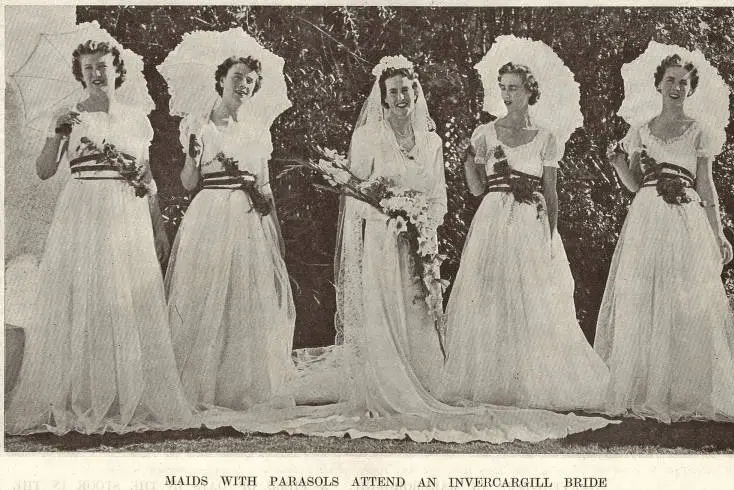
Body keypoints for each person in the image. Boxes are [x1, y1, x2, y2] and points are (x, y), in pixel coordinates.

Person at [199, 56, 617, 444]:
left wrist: (423, 222)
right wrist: (391, 213)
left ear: (416, 95)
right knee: (385, 312)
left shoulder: (431, 142)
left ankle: (424, 383)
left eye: (406, 91)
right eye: (393, 92)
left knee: (417, 311)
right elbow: (356, 194)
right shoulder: (367, 137)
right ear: (383, 98)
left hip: (417, 239)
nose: (401, 98)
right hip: (383, 237)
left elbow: (438, 195)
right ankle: (387, 386)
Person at [5, 40, 193, 435]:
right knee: (83, 297)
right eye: (88, 67)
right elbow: (42, 171)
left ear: (117, 70)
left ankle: (123, 397)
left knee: (121, 298)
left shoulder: (135, 119)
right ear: (81, 72)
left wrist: (157, 228)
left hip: (126, 215)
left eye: (102, 66)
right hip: (82, 210)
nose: (96, 73)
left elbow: (146, 179)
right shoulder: (67, 116)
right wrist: (57, 135)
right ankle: (80, 395)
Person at [438, 62, 609, 411]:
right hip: (492, 220)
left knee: (533, 300)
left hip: (531, 222)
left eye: (514, 87)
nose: (507, 94)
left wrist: (549, 237)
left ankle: (531, 380)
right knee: (490, 297)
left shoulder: (546, 137)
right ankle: (491, 380)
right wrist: (468, 162)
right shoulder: (484, 133)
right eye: (502, 87)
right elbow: (475, 190)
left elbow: (551, 191)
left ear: (530, 91)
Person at [595, 54, 734, 423]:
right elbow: (635, 185)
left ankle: (684, 390)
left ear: (691, 89)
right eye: (671, 80)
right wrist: (616, 162)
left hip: (684, 217)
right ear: (658, 84)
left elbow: (705, 184)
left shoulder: (699, 130)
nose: (676, 87)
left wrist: (718, 234)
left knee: (685, 299)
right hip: (647, 216)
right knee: (644, 297)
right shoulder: (640, 131)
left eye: (683, 82)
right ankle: (645, 389)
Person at [165, 55, 296, 410]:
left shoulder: (257, 130)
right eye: (237, 77)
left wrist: (276, 233)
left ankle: (241, 389)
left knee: (246, 298)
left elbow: (265, 185)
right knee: (205, 295)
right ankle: (202, 385)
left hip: (249, 218)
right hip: (209, 214)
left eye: (251, 81)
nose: (244, 85)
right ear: (221, 80)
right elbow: (188, 183)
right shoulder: (199, 125)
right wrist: (193, 158)